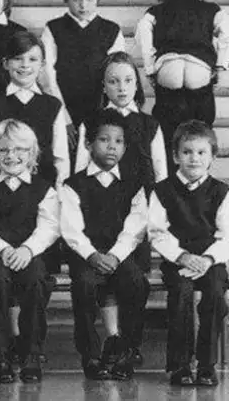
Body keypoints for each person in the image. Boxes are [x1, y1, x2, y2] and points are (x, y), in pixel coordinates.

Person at [74, 51, 167, 366]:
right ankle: (112, 338)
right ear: (104, 86)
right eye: (113, 81)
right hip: (99, 212)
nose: (121, 87)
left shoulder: (150, 124)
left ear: (137, 84)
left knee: (132, 278)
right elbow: (81, 172)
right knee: (103, 275)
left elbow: (161, 175)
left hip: (138, 215)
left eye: (128, 80)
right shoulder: (92, 122)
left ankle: (130, 342)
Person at [148, 119, 229, 387]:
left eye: (201, 152)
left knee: (215, 294)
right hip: (177, 259)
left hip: (210, 260)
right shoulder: (162, 190)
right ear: (176, 156)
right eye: (187, 152)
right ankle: (180, 365)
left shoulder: (220, 191)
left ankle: (206, 365)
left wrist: (208, 259)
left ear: (212, 157)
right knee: (181, 294)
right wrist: (182, 257)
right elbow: (157, 232)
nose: (194, 158)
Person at [60, 109, 149, 381]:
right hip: (87, 255)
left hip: (119, 254)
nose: (112, 147)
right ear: (88, 144)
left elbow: (136, 227)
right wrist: (92, 255)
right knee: (84, 285)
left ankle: (126, 349)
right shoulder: (73, 184)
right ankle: (91, 355)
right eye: (104, 140)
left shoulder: (133, 184)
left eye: (118, 141)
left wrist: (115, 256)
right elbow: (71, 229)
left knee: (136, 282)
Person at [0, 119, 59, 383]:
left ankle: (31, 353)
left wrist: (28, 250)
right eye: (3, 150)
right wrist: (5, 249)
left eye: (20, 149)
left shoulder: (43, 189)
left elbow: (49, 227)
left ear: (32, 154)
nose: (11, 156)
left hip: (30, 253)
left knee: (36, 279)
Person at [135, 0, 229, 172]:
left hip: (168, 67)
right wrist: (220, 65)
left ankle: (168, 175)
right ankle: (198, 174)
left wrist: (149, 69)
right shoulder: (211, 8)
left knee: (167, 132)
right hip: (199, 68)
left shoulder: (157, 10)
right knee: (201, 131)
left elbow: (142, 32)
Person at [39, 0, 126, 153]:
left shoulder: (111, 30)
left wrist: (106, 119)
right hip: (62, 110)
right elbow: (47, 76)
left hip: (100, 113)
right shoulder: (53, 29)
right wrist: (62, 118)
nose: (83, 4)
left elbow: (117, 77)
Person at [0, 30, 69, 187]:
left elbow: (60, 158)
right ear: (6, 63)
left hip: (44, 188)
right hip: (2, 188)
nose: (25, 65)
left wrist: (59, 190)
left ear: (42, 65)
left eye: (32, 59)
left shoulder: (53, 105)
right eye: (17, 58)